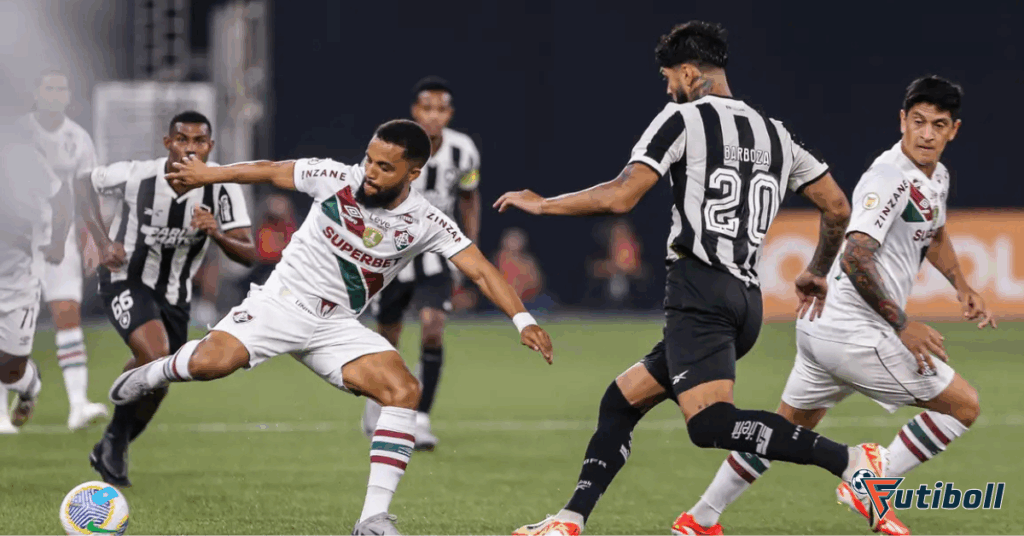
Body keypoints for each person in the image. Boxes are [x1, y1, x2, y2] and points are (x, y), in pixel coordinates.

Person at [494, 21, 890, 535]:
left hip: (699, 291)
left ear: (687, 72)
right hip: (746, 301)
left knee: (708, 425)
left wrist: (543, 205)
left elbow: (621, 195)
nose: (667, 88)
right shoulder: (775, 132)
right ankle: (570, 520)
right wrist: (816, 270)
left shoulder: (682, 118)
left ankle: (852, 460)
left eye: (667, 77)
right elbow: (837, 206)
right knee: (621, 400)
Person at [105, 119, 553, 535]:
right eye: (368, 159)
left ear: (412, 174)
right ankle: (153, 373)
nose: (369, 172)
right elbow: (268, 170)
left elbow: (480, 270)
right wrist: (210, 174)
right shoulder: (335, 177)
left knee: (403, 391)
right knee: (209, 365)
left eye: (383, 167)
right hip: (280, 304)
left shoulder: (426, 221)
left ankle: (373, 518)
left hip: (336, 326)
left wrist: (522, 319)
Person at [676, 75, 991, 536]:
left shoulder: (936, 176)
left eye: (938, 125)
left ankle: (699, 518)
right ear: (902, 121)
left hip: (821, 329)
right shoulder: (888, 178)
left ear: (953, 130)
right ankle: (870, 483)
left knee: (782, 432)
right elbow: (855, 254)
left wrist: (962, 284)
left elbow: (935, 232)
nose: (926, 133)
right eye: (918, 122)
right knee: (963, 406)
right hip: (854, 332)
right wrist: (902, 325)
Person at [77, 110, 257, 487]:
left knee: (161, 379)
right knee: (155, 354)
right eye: (182, 140)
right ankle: (115, 442)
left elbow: (248, 252)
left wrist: (217, 234)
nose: (189, 148)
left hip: (175, 294)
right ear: (167, 143)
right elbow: (81, 183)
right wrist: (102, 240)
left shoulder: (222, 187)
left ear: (209, 146)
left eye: (198, 142)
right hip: (124, 279)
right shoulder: (137, 175)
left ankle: (114, 440)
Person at [362, 77, 483, 451]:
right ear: (415, 111)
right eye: (426, 108)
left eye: (440, 109)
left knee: (433, 327)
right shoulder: (393, 145)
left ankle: (421, 419)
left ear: (449, 114)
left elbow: (468, 197)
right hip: (392, 254)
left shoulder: (464, 152)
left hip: (435, 254)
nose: (433, 116)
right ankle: (377, 402)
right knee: (388, 336)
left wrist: (468, 246)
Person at [3, 69, 109, 432]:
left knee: (67, 314)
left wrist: (94, 238)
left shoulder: (78, 139)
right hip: (13, 244)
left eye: (62, 87)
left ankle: (78, 405)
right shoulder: (16, 133)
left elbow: (83, 193)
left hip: (58, 241)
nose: (55, 93)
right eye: (49, 86)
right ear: (36, 93)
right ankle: (7, 408)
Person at [0, 115, 72, 433]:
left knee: (9, 369)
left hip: (17, 280)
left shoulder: (26, 161)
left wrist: (57, 241)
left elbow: (63, 201)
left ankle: (31, 383)